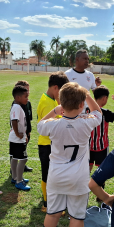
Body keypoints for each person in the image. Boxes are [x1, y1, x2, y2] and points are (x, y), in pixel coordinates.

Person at [37, 82, 102, 227]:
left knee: (53, 213)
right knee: (77, 217)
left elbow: (39, 125)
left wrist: (55, 111)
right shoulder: (86, 122)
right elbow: (98, 113)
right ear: (82, 105)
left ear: (61, 102)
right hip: (78, 179)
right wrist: (87, 94)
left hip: (56, 176)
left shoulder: (53, 124)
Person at [36, 71, 69, 213]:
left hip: (52, 144)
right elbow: (50, 127)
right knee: (47, 174)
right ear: (56, 87)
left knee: (53, 174)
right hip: (46, 145)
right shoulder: (47, 102)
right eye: (61, 90)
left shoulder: (52, 99)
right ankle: (47, 204)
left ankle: (51, 199)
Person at [9, 85, 30, 191]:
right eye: (26, 96)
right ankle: (19, 181)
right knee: (23, 159)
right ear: (18, 97)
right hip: (17, 138)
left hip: (14, 137)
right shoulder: (17, 107)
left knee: (15, 157)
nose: (27, 99)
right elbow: (14, 121)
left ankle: (14, 177)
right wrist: (18, 134)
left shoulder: (17, 106)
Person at [13, 80, 33, 173]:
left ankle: (22, 166)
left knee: (23, 149)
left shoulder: (27, 103)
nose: (28, 92)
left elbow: (29, 118)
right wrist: (18, 132)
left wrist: (28, 131)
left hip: (26, 131)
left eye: (28, 90)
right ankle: (13, 169)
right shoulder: (16, 105)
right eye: (26, 90)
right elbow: (14, 121)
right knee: (16, 150)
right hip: (19, 133)